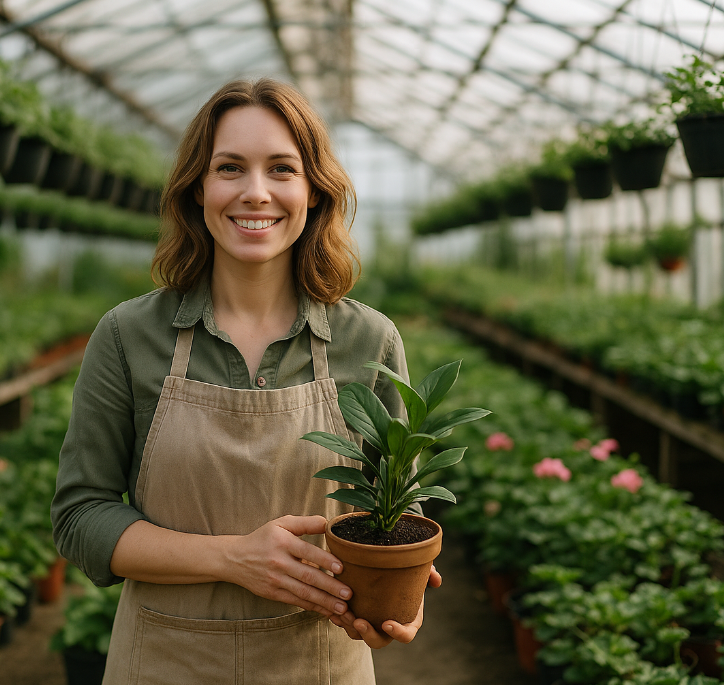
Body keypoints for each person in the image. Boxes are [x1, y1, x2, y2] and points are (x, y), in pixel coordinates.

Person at [51, 78, 441, 684]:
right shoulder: (130, 335)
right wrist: (233, 558)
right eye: (230, 168)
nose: (255, 193)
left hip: (320, 665)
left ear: (313, 192)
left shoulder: (370, 342)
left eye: (281, 169)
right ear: (197, 190)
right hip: (163, 664)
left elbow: (398, 516)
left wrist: (396, 598)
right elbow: (81, 517)